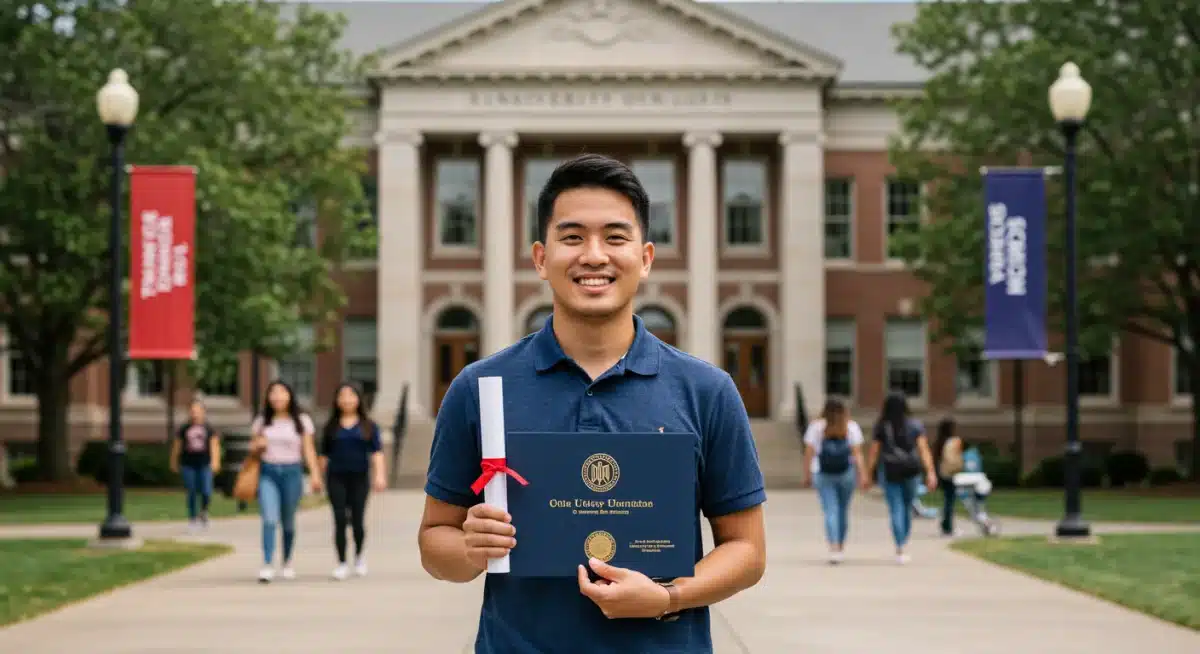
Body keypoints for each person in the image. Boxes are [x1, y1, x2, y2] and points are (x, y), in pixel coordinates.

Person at [418, 153, 767, 653]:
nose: (594, 255)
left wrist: (668, 597)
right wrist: (472, 549)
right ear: (541, 258)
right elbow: (436, 544)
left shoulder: (705, 390)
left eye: (616, 237)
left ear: (645, 258)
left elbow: (747, 549)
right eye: (573, 236)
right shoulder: (481, 387)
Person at [250, 380, 322, 583]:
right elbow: (252, 448)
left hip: (292, 472)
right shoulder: (262, 420)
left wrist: (315, 474)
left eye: (282, 392)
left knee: (288, 522)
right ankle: (267, 563)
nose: (277, 397)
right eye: (273, 393)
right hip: (268, 473)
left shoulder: (302, 420)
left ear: (290, 396)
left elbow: (308, 450)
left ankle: (287, 561)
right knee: (269, 519)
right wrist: (258, 445)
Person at [319, 381, 388, 580]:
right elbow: (323, 455)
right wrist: (317, 477)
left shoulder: (368, 426)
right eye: (342, 396)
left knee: (357, 519)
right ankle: (341, 562)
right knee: (339, 518)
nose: (347, 400)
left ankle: (359, 557)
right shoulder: (330, 426)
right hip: (336, 477)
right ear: (337, 400)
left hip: (359, 477)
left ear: (358, 399)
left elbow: (377, 453)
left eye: (351, 395)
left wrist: (380, 475)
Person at [865, 391, 936, 564]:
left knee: (895, 507)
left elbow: (874, 452)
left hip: (889, 470)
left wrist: (869, 473)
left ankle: (900, 546)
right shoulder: (915, 425)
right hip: (911, 470)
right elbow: (923, 449)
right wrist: (931, 471)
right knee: (907, 506)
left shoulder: (881, 426)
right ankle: (904, 539)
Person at [802, 398, 868, 563]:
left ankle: (834, 547)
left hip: (822, 473)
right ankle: (841, 545)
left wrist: (807, 474)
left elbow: (809, 453)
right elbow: (857, 454)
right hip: (846, 472)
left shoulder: (816, 427)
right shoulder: (851, 427)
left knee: (830, 509)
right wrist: (863, 474)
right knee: (843, 510)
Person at [169, 398, 221, 531]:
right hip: (188, 464)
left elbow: (215, 446)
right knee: (191, 491)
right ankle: (192, 518)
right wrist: (174, 461)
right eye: (192, 411)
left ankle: (203, 512)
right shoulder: (184, 429)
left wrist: (215, 462)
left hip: (205, 464)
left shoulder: (209, 428)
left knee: (206, 491)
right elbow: (177, 446)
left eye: (198, 411)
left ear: (203, 412)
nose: (195, 414)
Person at [932, 416, 965, 536]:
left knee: (947, 500)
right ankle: (948, 527)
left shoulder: (940, 441)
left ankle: (945, 524)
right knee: (950, 502)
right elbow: (956, 458)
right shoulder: (954, 441)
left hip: (942, 473)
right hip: (951, 474)